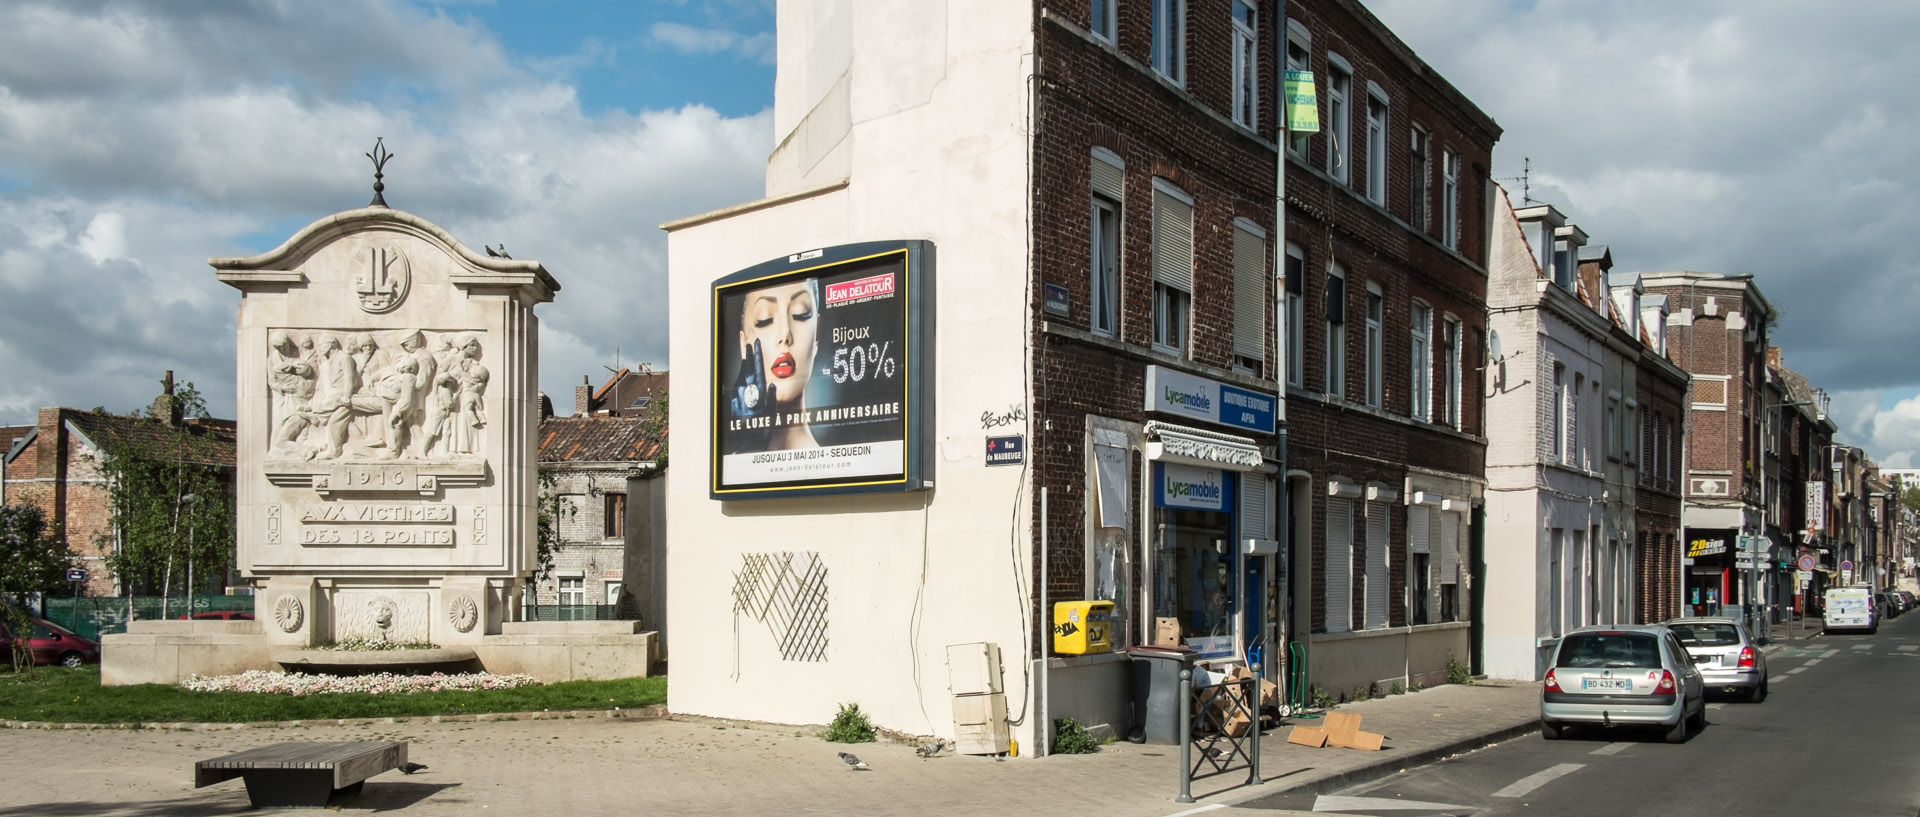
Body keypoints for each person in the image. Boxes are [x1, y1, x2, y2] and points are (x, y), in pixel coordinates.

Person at [730, 278, 820, 451]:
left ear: (817, 334)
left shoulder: (842, 468)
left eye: (800, 314)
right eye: (765, 319)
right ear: (744, 344)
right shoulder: (734, 468)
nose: (785, 335)